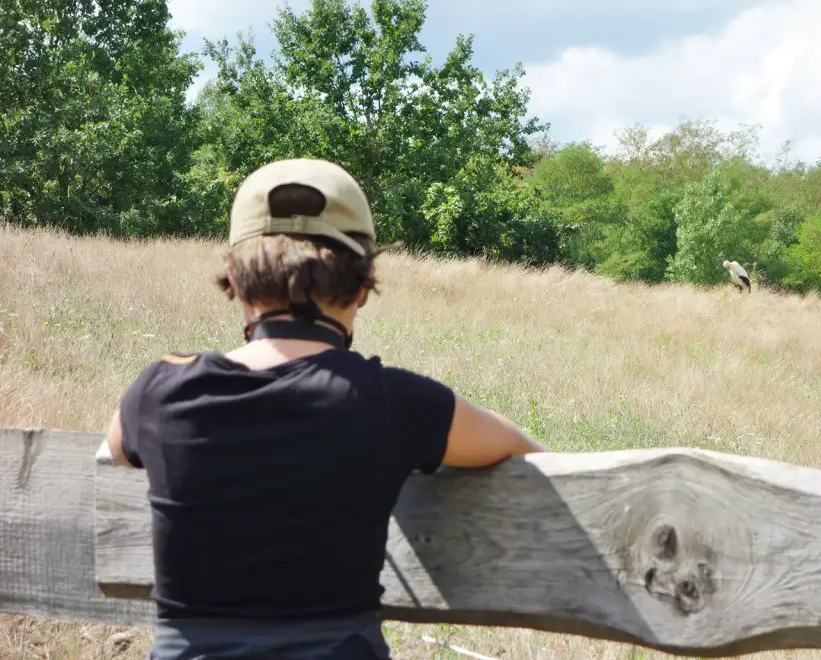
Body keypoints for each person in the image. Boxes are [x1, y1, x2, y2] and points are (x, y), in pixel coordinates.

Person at [102, 157, 546, 660]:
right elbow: (525, 448)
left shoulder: (161, 390)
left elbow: (116, 448)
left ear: (235, 279)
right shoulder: (393, 402)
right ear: (362, 282)